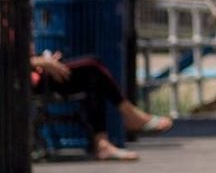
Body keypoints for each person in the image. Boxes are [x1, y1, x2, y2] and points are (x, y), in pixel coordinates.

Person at [31, 48, 173, 161]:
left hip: (35, 72)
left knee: (94, 67)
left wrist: (45, 60)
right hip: (28, 80)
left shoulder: (11, 19)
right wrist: (41, 62)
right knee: (92, 68)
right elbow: (10, 61)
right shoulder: (10, 18)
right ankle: (129, 116)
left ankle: (103, 143)